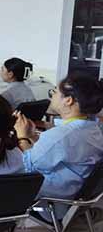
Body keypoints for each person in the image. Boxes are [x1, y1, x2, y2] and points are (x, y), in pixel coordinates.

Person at [16, 73, 103, 220]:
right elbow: (58, 153)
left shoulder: (62, 135)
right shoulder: (93, 129)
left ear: (68, 100)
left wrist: (22, 136)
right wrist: (32, 136)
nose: (52, 95)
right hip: (75, 198)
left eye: (55, 91)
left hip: (53, 204)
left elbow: (28, 167)